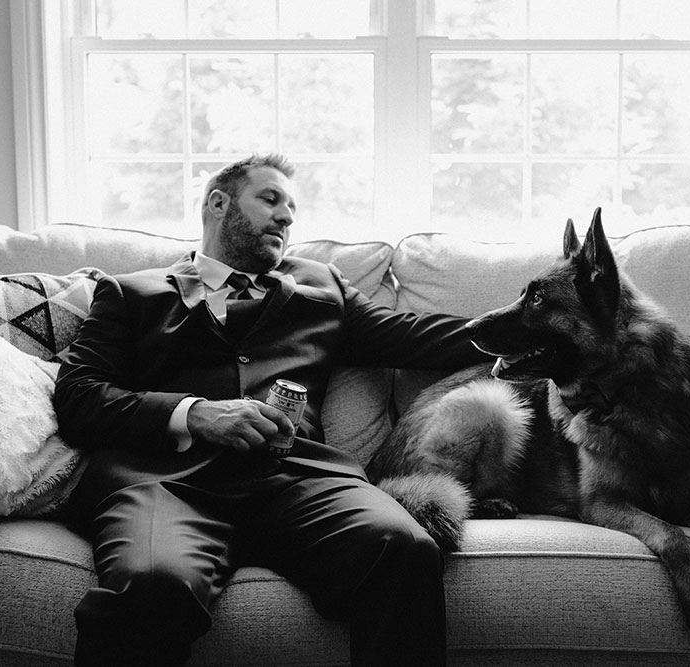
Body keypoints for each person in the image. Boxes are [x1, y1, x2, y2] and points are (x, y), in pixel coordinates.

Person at [53, 153, 488, 667]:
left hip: (299, 480)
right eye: (270, 199)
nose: (286, 216)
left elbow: (414, 337)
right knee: (152, 585)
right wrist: (194, 413)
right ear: (218, 203)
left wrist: (529, 328)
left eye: (292, 208)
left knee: (405, 547)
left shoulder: (322, 286)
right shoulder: (131, 293)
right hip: (167, 485)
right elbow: (78, 396)